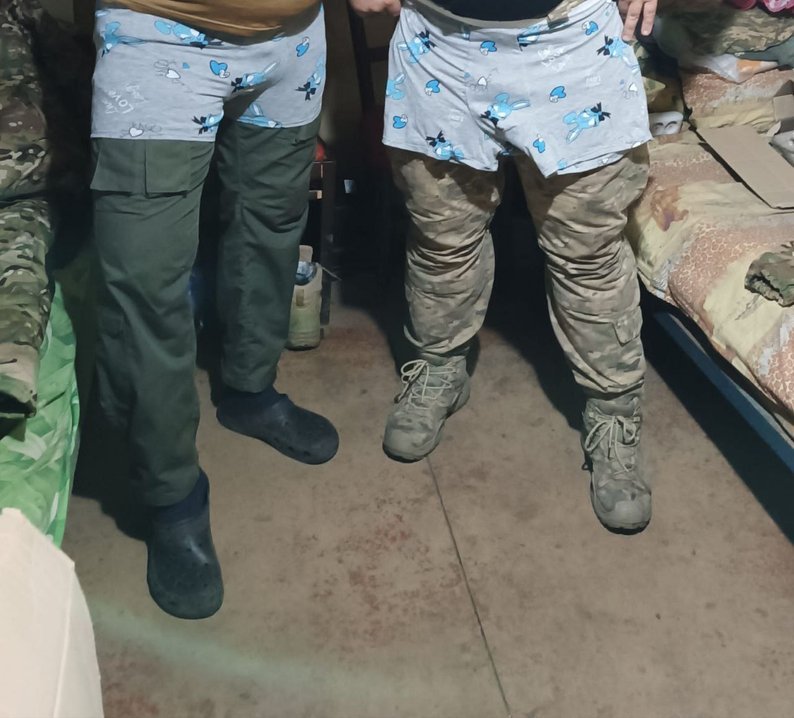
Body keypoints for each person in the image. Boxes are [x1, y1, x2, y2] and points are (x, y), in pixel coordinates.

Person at [350, 0, 658, 532]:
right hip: (440, 46)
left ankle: (614, 415)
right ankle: (440, 368)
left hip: (572, 42)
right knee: (442, 238)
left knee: (589, 256)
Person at [90, 0, 338, 619]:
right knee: (145, 280)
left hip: (293, 35)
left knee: (271, 224)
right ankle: (171, 496)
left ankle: (250, 392)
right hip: (155, 31)